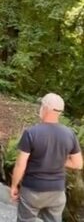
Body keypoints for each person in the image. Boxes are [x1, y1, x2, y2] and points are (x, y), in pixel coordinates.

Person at [11, 93, 83, 222]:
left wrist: (14, 186)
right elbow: (78, 164)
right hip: (57, 192)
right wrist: (59, 159)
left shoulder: (31, 133)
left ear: (45, 108)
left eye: (41, 105)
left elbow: (20, 165)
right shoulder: (70, 134)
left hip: (32, 190)